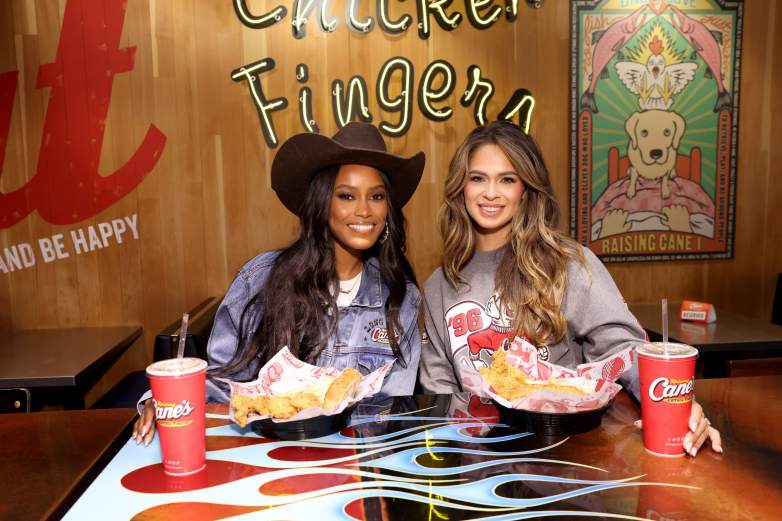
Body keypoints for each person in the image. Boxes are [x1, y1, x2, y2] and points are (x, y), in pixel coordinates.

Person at [420, 121, 721, 457]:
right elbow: (438, 391)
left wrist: (676, 402)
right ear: (461, 186)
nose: (491, 192)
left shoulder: (568, 262)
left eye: (507, 179)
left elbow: (622, 350)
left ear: (526, 189)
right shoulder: (438, 285)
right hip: (476, 463)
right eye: (478, 178)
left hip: (564, 456)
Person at [133, 123, 425, 445]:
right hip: (270, 454)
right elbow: (227, 385)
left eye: (377, 196)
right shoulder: (262, 279)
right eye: (346, 195)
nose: (364, 210)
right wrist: (162, 401)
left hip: (357, 459)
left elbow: (394, 408)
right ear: (321, 203)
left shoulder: (401, 298)